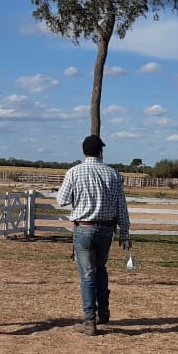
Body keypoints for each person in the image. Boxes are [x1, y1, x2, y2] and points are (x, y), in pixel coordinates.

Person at [57, 135, 131, 336]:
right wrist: (125, 232)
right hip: (107, 229)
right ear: (101, 152)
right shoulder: (113, 174)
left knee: (87, 274)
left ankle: (89, 320)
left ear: (83, 151)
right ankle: (103, 310)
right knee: (100, 268)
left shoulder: (74, 172)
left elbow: (62, 200)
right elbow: (121, 206)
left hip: (84, 228)